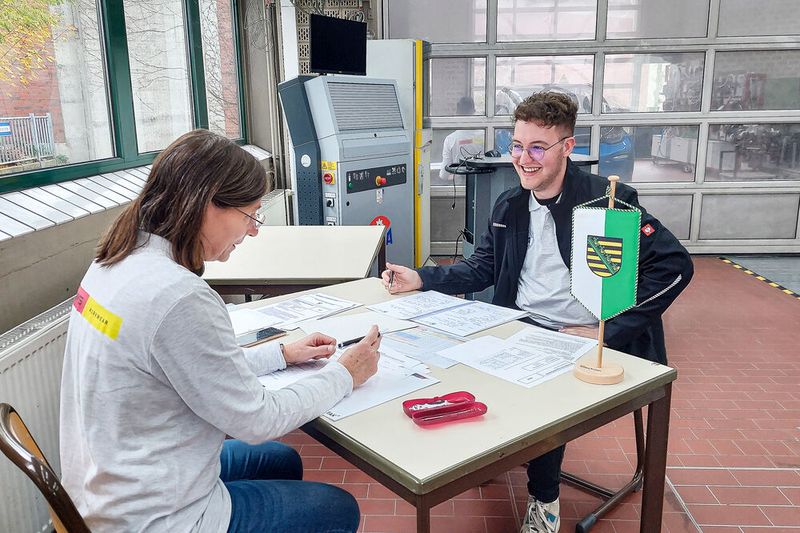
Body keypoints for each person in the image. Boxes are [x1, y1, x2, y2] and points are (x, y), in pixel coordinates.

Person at [381, 92, 693, 533]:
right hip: (518, 324)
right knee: (447, 364)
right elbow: (483, 268)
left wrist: (606, 330)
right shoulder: (509, 205)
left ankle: (544, 500)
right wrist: (422, 278)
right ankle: (490, 453)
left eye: (537, 148)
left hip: (578, 335)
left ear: (567, 147)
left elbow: (674, 266)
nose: (523, 160)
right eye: (516, 146)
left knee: (543, 403)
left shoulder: (607, 203)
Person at [60, 129, 382, 533]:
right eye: (250, 215)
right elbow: (258, 420)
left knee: (282, 461)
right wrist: (345, 373)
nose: (254, 231)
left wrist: (280, 355)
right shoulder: (177, 296)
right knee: (337, 509)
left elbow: (189, 365)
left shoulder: (115, 261)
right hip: (154, 517)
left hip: (108, 485)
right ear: (208, 206)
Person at [439, 96, 485, 182]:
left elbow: (444, 175)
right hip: (481, 186)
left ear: (457, 112)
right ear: (474, 112)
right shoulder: (485, 136)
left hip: (459, 188)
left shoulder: (451, 139)